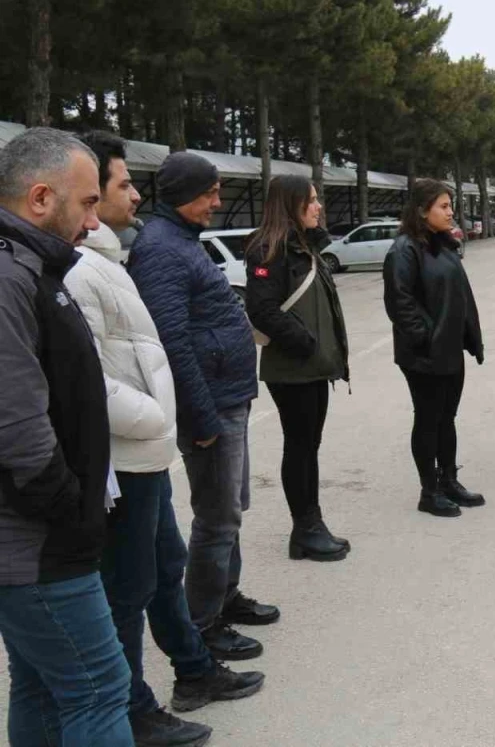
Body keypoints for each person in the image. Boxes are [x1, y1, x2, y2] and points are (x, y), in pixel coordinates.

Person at [67, 132, 264, 746]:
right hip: (130, 447)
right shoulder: (115, 258)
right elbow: (117, 367)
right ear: (85, 193)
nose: (136, 194)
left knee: (165, 560)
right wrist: (183, 417)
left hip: (147, 445)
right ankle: (137, 703)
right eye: (124, 184)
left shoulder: (116, 252)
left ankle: (193, 664)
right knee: (132, 584)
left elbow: (146, 346)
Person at [0, 127, 133, 746]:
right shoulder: (9, 278)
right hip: (39, 544)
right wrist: (74, 515)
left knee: (45, 686)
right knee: (101, 687)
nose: (91, 221)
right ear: (40, 198)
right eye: (85, 204)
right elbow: (21, 432)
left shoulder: (34, 268)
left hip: (40, 541)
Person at [129, 152, 279, 663]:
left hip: (226, 397)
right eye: (211, 192)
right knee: (216, 517)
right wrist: (201, 417)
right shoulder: (161, 249)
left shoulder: (180, 241)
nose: (219, 201)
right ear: (185, 193)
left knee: (231, 510)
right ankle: (204, 624)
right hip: (210, 406)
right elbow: (171, 340)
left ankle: (225, 595)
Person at [245, 175, 351, 561]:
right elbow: (261, 309)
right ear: (291, 204)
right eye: (311, 200)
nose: (319, 205)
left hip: (312, 366)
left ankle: (311, 525)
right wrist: (306, 342)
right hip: (293, 367)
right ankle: (305, 528)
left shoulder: (303, 245)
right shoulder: (268, 249)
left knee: (309, 446)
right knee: (301, 446)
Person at [383, 179, 485, 517]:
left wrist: (468, 335)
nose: (450, 211)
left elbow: (459, 295)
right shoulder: (404, 249)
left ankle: (449, 480)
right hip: (424, 354)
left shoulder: (444, 245)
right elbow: (400, 302)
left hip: (450, 349)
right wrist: (425, 337)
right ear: (422, 210)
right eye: (443, 206)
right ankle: (429, 491)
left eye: (450, 205)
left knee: (447, 418)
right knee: (428, 419)